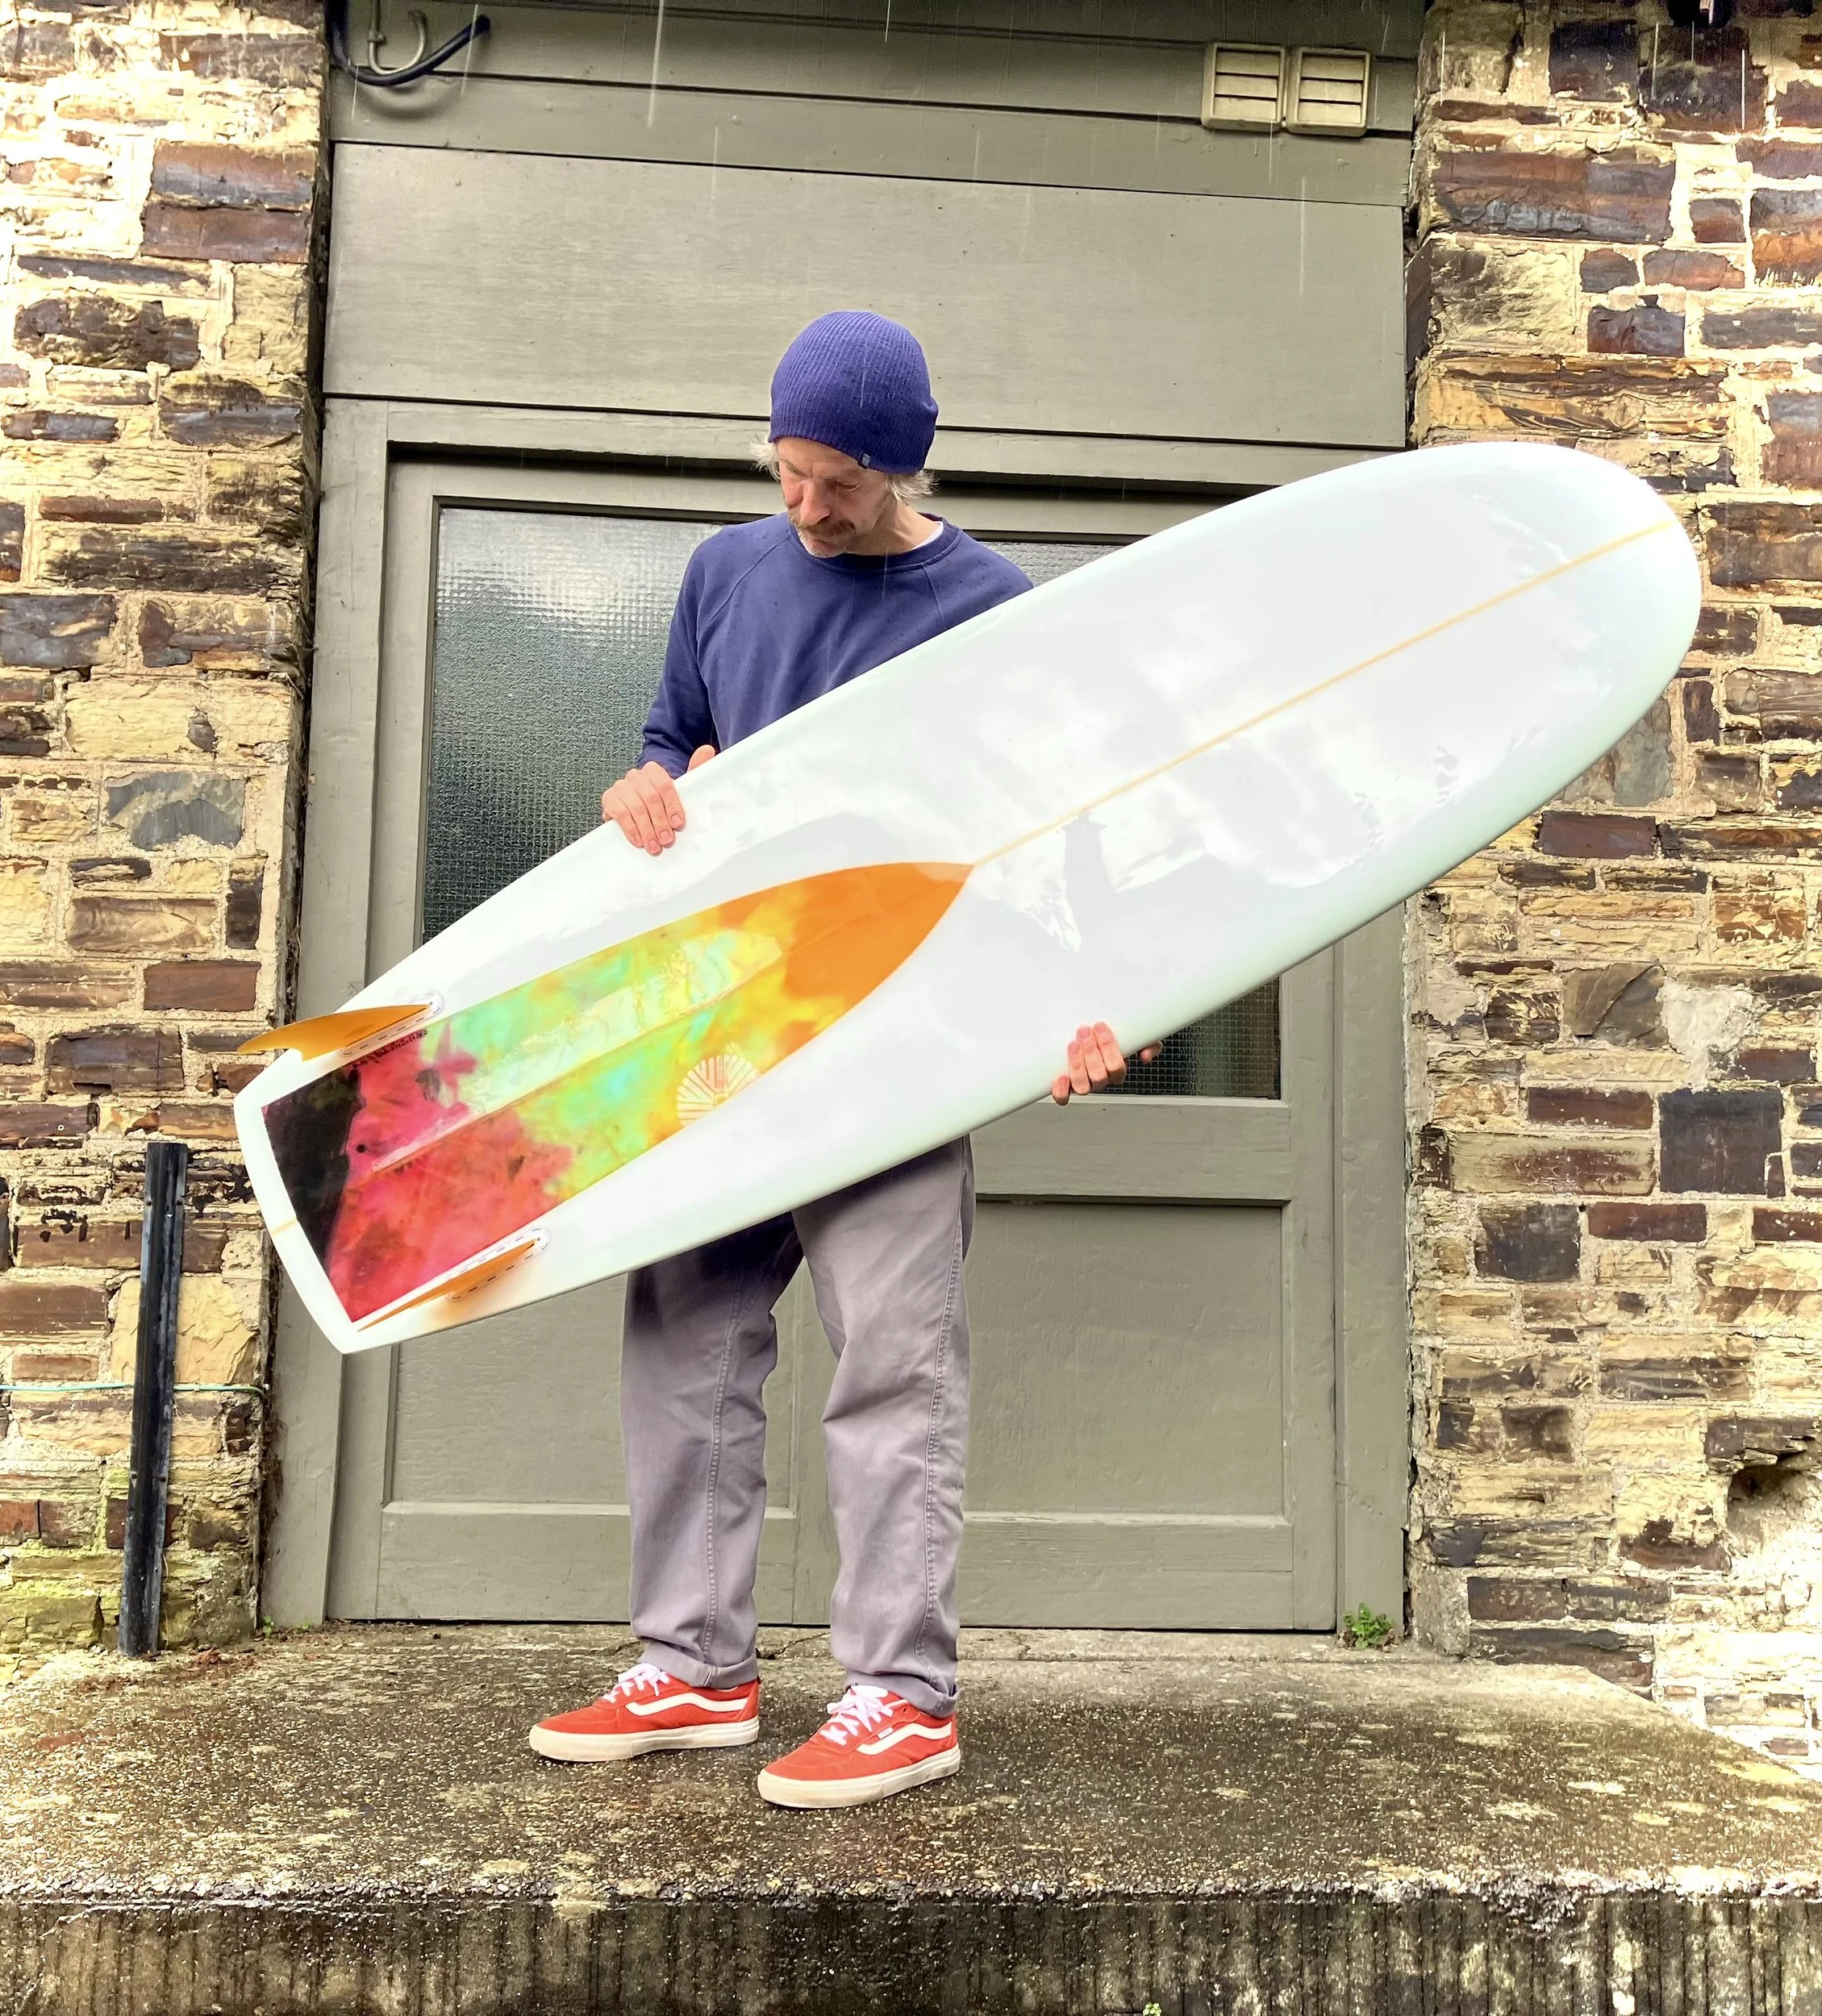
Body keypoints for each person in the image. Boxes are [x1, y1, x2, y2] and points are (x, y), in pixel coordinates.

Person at [529, 310, 1157, 1810]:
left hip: (900, 1041)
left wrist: (1094, 996)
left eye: (841, 484)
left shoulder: (990, 607)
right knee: (684, 1344)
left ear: (904, 469)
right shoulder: (724, 573)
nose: (808, 506)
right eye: (788, 472)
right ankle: (693, 1664)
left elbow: (1057, 829)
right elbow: (676, 738)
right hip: (731, 1032)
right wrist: (646, 788)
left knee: (891, 1366)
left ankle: (900, 1697)